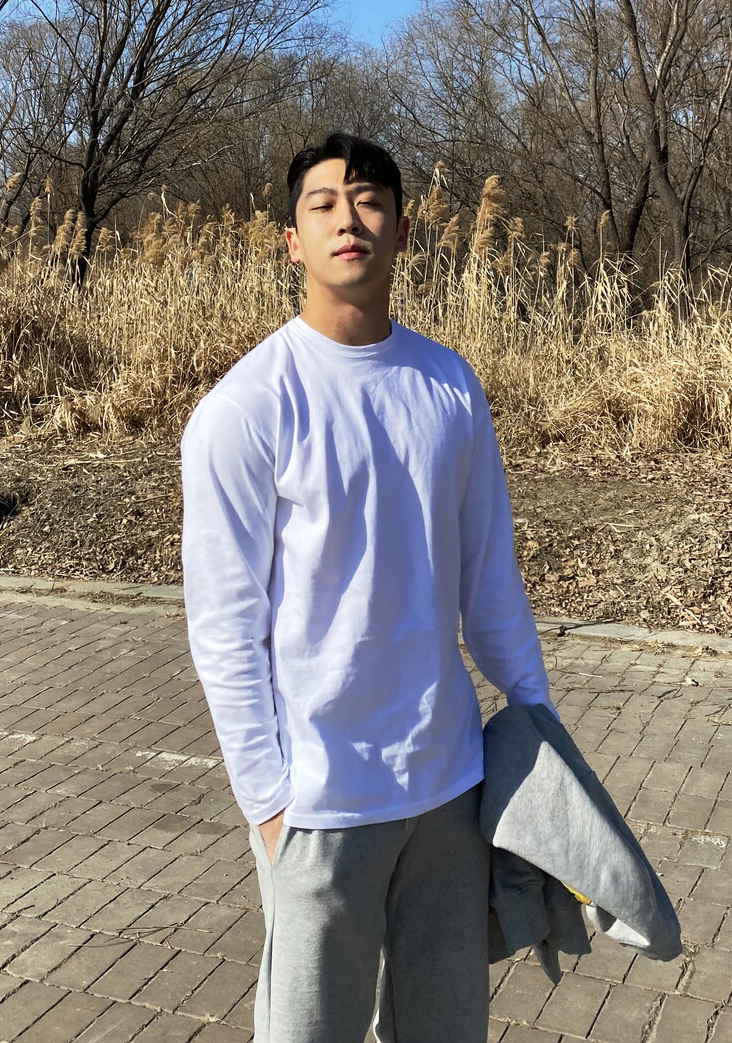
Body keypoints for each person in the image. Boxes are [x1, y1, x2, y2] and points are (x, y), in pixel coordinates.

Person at [181, 133, 555, 1043]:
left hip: (448, 790)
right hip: (319, 801)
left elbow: (489, 581)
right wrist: (270, 806)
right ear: (292, 241)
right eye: (323, 204)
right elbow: (225, 627)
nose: (348, 219)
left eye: (370, 200)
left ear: (403, 231)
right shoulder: (248, 407)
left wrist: (540, 730)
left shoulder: (450, 386)